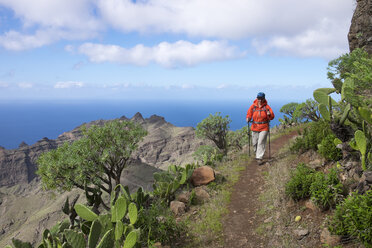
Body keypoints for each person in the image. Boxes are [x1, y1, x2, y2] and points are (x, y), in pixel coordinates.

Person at [246, 92, 275, 164]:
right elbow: (249, 114)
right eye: (258, 98)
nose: (259, 100)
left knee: (261, 142)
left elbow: (272, 117)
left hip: (264, 127)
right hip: (255, 127)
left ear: (263, 99)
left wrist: (269, 114)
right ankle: (257, 153)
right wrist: (248, 118)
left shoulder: (267, 107)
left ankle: (259, 157)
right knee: (254, 143)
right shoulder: (253, 106)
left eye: (261, 98)